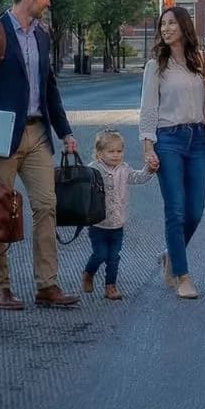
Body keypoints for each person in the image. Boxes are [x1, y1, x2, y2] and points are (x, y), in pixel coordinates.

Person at [0, 0, 81, 311]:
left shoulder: (43, 35)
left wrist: (65, 132)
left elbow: (50, 89)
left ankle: (47, 285)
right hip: (2, 139)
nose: (48, 1)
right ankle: (0, 287)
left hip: (38, 134)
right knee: (0, 214)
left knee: (46, 207)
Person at [139, 5, 205, 300]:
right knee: (175, 210)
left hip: (198, 139)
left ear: (185, 27)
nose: (166, 28)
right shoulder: (156, 65)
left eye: (172, 23)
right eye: (163, 24)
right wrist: (148, 146)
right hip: (168, 140)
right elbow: (148, 109)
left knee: (195, 211)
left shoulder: (203, 59)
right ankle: (182, 276)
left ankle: (170, 255)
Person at [82, 129, 155, 301]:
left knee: (113, 257)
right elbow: (83, 187)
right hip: (98, 223)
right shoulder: (94, 169)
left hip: (117, 224)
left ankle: (110, 286)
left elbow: (138, 178)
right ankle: (89, 273)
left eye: (119, 151)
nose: (116, 155)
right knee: (100, 254)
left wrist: (149, 169)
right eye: (111, 151)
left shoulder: (124, 169)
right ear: (99, 153)